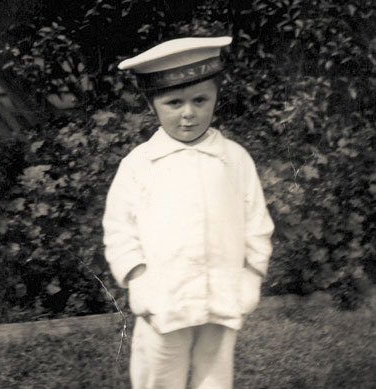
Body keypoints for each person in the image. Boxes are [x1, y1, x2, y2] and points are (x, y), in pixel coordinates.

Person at [103, 36, 274, 389]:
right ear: (153, 106)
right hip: (165, 298)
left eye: (200, 100)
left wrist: (252, 276)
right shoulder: (139, 164)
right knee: (160, 374)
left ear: (215, 98)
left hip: (223, 294)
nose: (188, 113)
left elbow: (257, 224)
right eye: (173, 102)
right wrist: (139, 280)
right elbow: (120, 230)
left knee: (213, 373)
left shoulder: (234, 159)